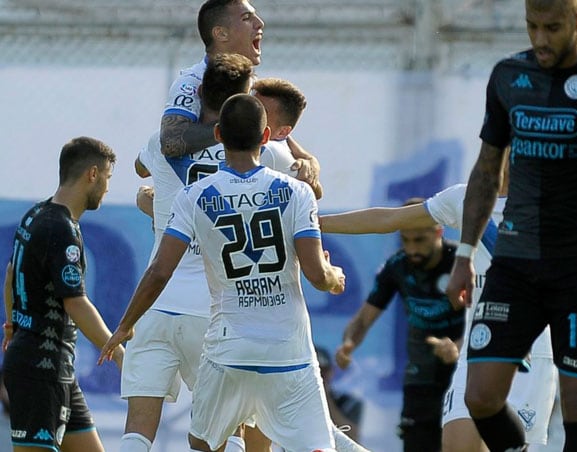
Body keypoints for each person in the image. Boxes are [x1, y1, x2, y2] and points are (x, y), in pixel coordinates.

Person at [320, 158, 577, 452]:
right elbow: (391, 219)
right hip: (482, 346)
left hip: (534, 352)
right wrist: (314, 223)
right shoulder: (468, 199)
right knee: (457, 444)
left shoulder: (558, 208)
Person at [445, 1, 577, 450]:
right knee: (480, 396)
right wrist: (464, 254)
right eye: (532, 27)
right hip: (516, 264)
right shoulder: (508, 76)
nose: (540, 39)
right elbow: (485, 172)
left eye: (552, 28)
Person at [100, 94, 345, 452]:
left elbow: (159, 271)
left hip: (230, 346)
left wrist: (125, 325)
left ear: (217, 134)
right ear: (266, 137)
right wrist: (334, 276)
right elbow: (315, 273)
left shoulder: (195, 196)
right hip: (288, 350)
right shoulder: (296, 193)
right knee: (313, 445)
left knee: (202, 440)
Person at [123, 53, 259, 452]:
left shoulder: (160, 144)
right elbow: (306, 184)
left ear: (198, 92)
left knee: (136, 433)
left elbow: (139, 168)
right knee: (227, 433)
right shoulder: (257, 154)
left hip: (156, 304)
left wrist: (155, 202)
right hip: (215, 309)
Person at [2, 137, 124, 452]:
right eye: (108, 178)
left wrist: (12, 326)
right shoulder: (62, 229)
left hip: (57, 368)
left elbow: (10, 275)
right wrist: (118, 352)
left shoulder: (36, 214)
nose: (108, 189)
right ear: (92, 174)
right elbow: (76, 302)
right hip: (40, 367)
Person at [334, 198, 464, 452]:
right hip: (420, 377)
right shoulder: (397, 266)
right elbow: (362, 319)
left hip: (463, 375)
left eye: (420, 240)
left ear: (439, 231)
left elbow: (487, 318)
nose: (412, 249)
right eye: (406, 240)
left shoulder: (462, 264)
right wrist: (349, 343)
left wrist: (459, 346)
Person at [161, 0, 321, 191]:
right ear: (221, 33)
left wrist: (307, 159)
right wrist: (240, 125)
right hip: (196, 212)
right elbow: (171, 142)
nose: (259, 23)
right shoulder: (192, 82)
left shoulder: (249, 81)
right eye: (247, 18)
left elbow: (271, 130)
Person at [316, 346, 364, 442]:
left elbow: (352, 439)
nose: (319, 376)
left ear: (331, 371)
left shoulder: (349, 403)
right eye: (315, 370)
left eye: (323, 371)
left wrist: (323, 397)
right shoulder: (288, 403)